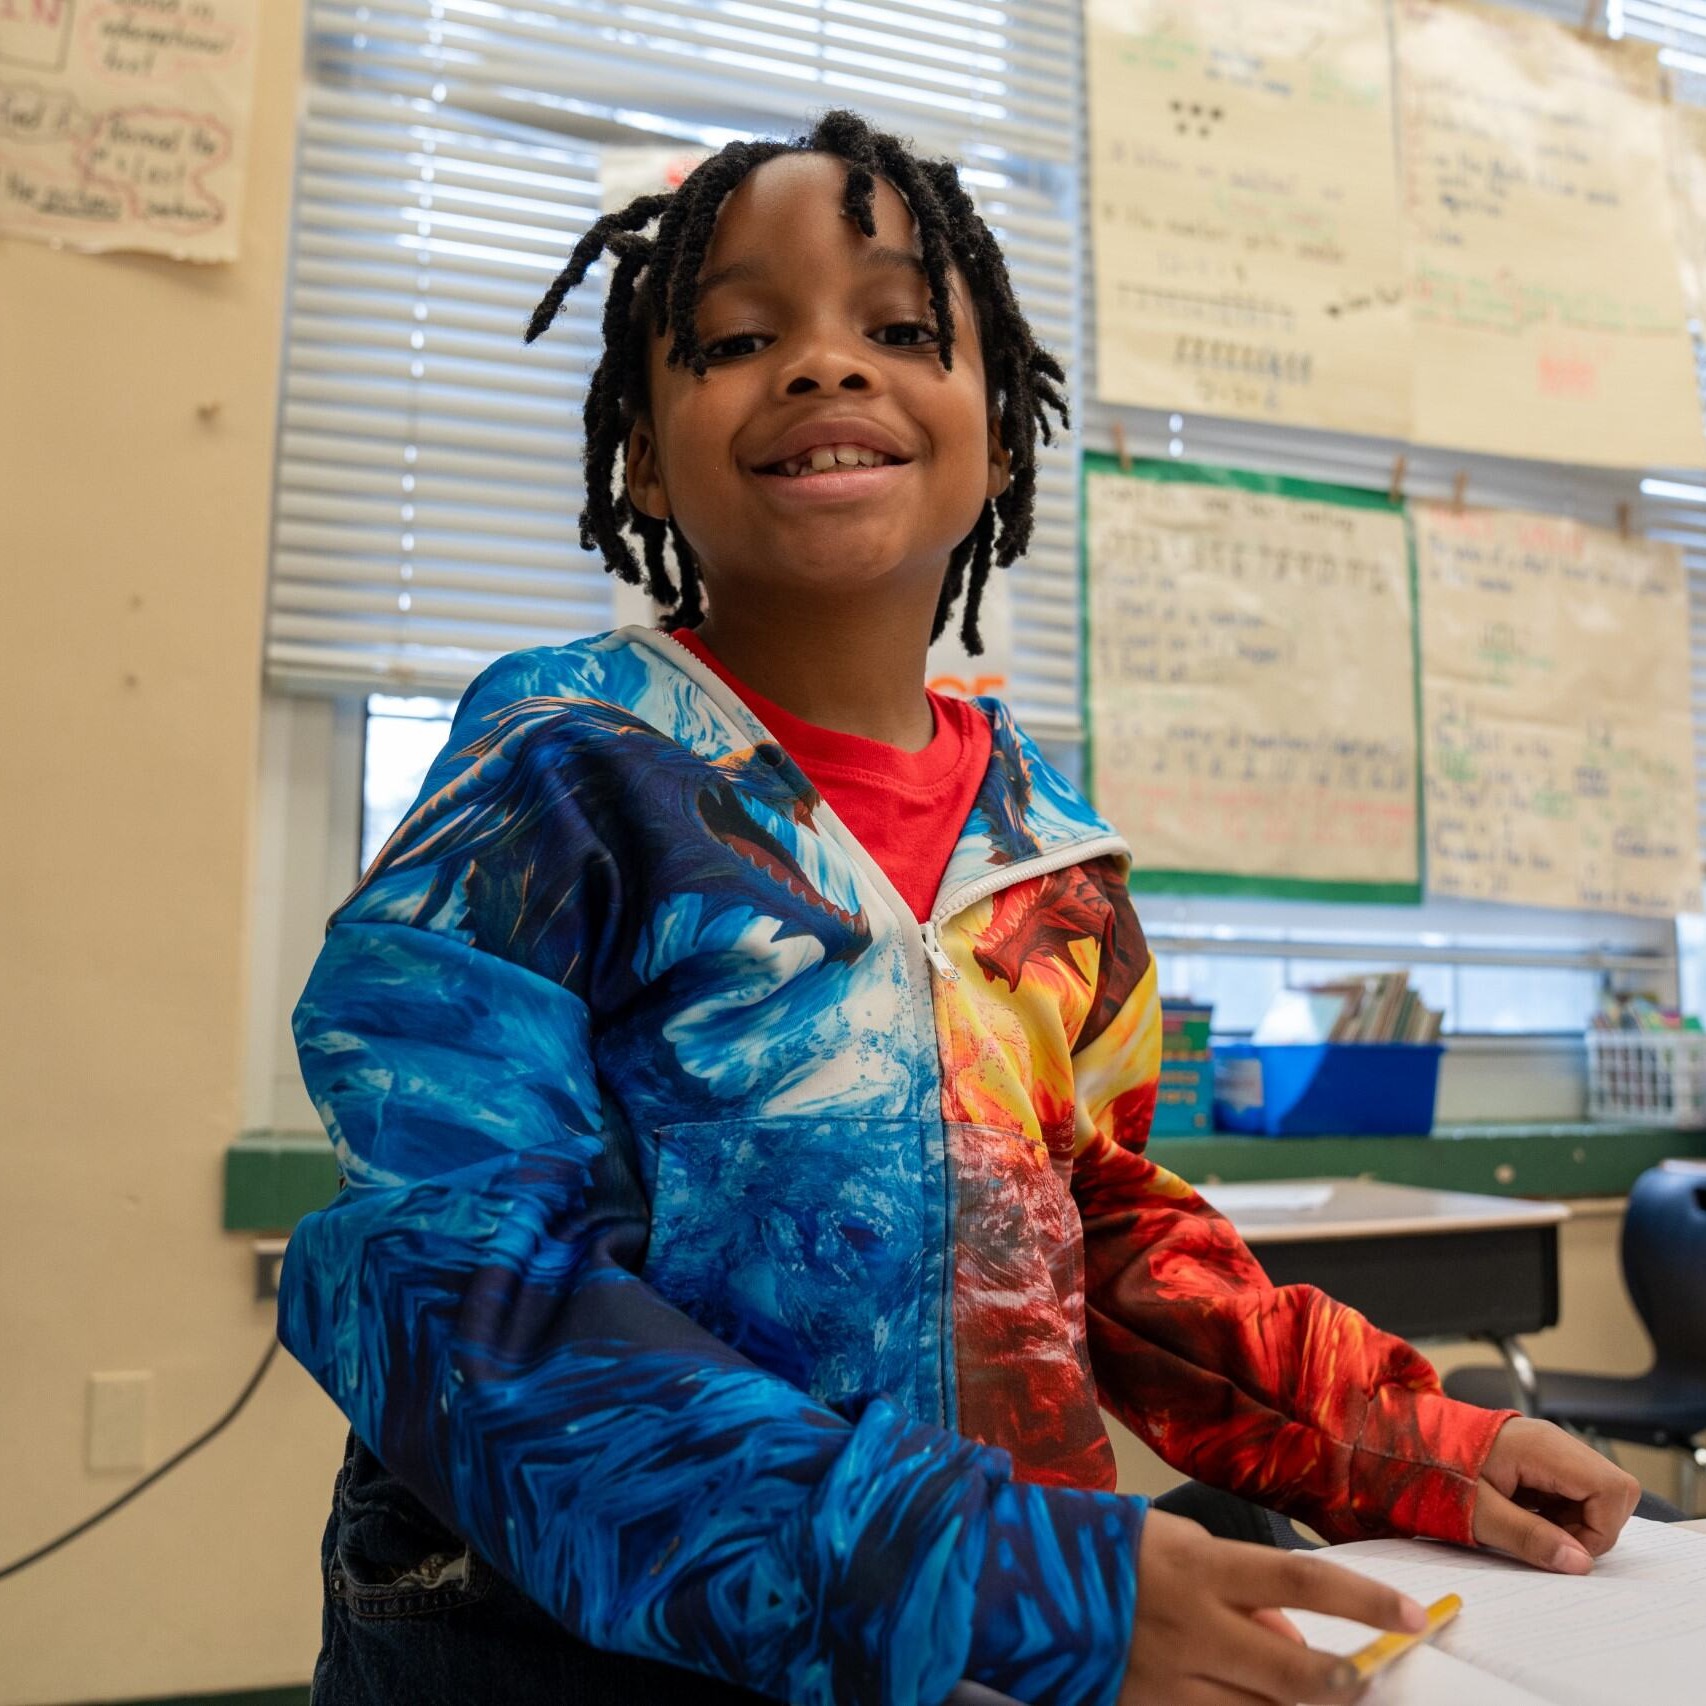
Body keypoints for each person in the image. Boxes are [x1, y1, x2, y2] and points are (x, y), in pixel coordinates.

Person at [277, 111, 1640, 1706]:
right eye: (733, 335)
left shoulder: (1050, 862)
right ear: (641, 449)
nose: (823, 365)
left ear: (999, 436)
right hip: (572, 1646)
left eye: (903, 328)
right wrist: (972, 1569)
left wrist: (1414, 1440)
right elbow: (460, 1284)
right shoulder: (553, 779)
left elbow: (1106, 1234)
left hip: (979, 1647)